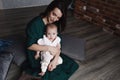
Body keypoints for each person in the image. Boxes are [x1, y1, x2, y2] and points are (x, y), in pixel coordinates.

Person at [20, 1, 79, 80]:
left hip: (51, 53)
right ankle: (30, 74)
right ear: (49, 9)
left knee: (72, 65)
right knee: (50, 73)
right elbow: (30, 46)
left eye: (58, 18)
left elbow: (58, 43)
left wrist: (55, 59)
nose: (54, 19)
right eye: (54, 14)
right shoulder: (34, 24)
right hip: (37, 54)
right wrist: (49, 48)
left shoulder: (55, 24)